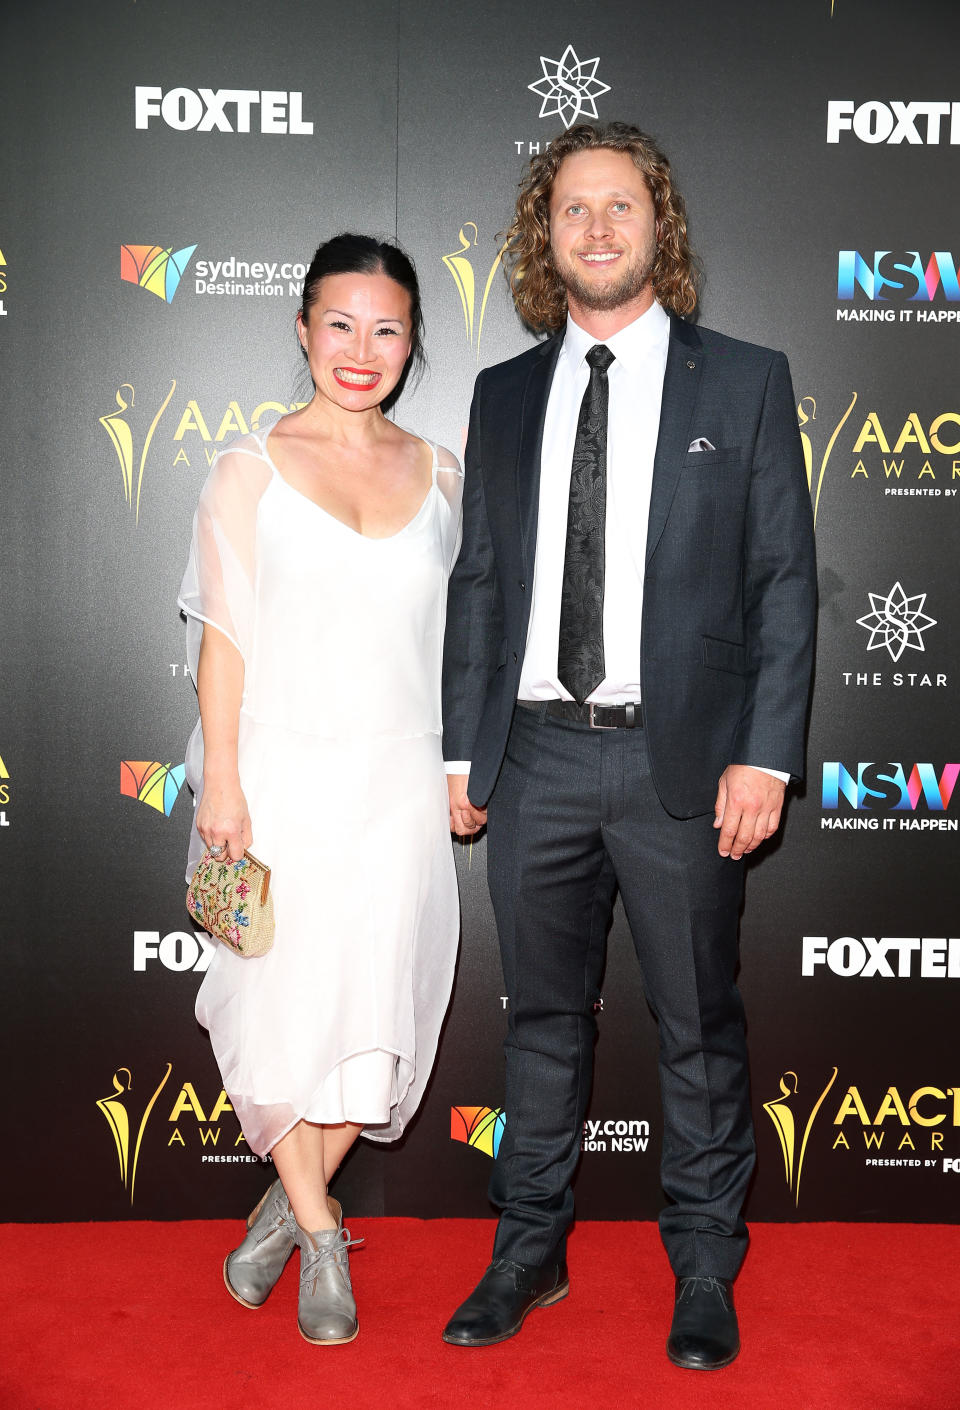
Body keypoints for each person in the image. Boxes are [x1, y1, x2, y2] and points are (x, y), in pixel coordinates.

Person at [440, 122, 816, 1369]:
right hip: (536, 757)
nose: (596, 228)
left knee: (700, 1026)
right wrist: (462, 751)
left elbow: (784, 585)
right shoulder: (501, 396)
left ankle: (705, 1263)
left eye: (620, 206)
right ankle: (528, 1248)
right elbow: (482, 585)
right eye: (572, 210)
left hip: (684, 765)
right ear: (542, 238)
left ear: (660, 226)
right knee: (541, 1020)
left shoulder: (748, 380)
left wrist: (765, 756)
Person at [178, 233, 463, 1346]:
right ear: (302, 330)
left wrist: (457, 769)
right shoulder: (247, 466)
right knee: (285, 1013)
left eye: (387, 328)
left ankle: (275, 1219)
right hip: (280, 777)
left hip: (398, 776)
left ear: (411, 345)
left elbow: (466, 644)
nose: (362, 349)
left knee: (370, 1023)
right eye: (339, 324)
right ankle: (324, 1238)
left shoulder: (442, 474)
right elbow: (222, 647)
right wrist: (225, 787)